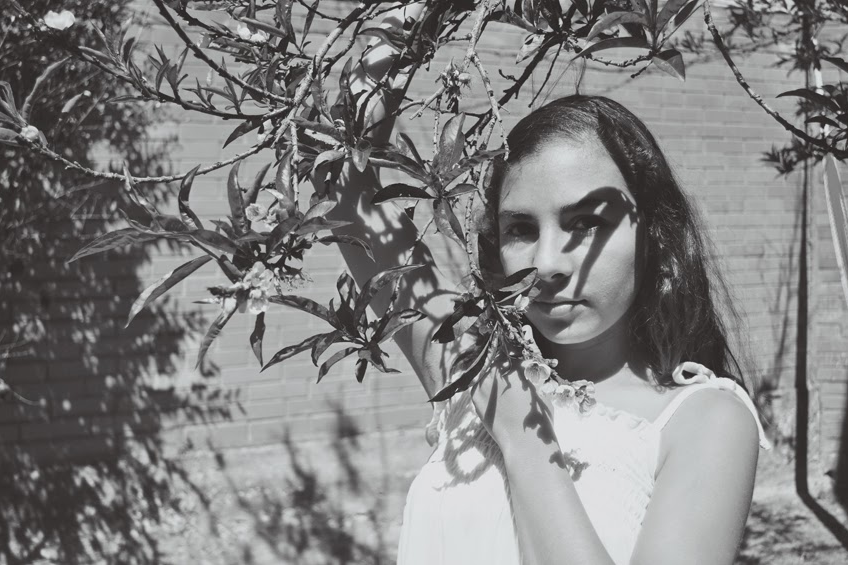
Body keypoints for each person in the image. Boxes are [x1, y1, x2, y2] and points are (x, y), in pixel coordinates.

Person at [325, 8, 772, 565]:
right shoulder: (475, 365)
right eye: (520, 229)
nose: (547, 263)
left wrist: (522, 435)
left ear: (654, 235)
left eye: (586, 223)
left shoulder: (703, 421)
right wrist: (413, 16)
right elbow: (339, 175)